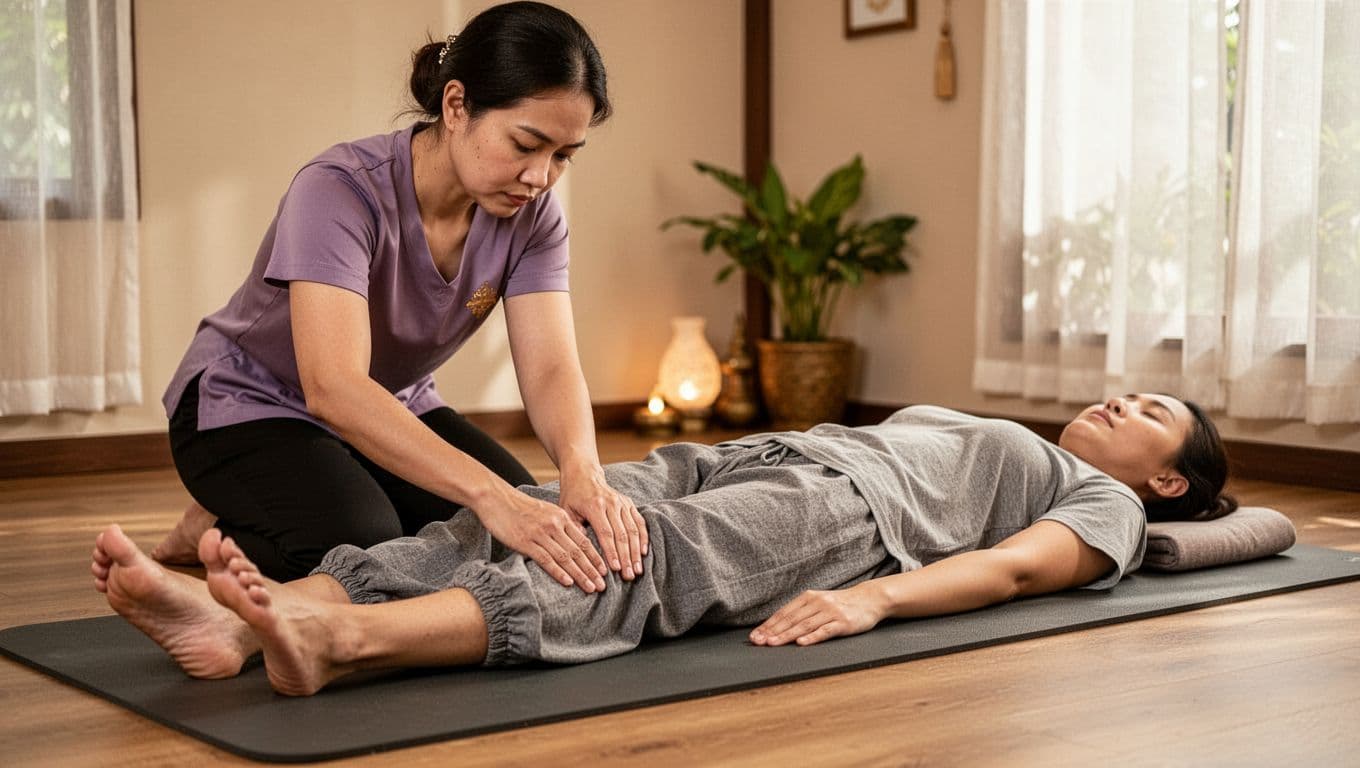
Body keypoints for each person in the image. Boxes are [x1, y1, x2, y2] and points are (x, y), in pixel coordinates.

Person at [93, 394, 1236, 696]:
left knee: (629, 569)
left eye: (1147, 413)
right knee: (524, 506)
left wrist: (876, 603)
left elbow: (1020, 568)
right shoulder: (1007, 432)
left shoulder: (1107, 505)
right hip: (752, 457)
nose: (1114, 404)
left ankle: (343, 638)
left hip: (842, 519)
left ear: (1168, 476)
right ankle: (250, 618)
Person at [152, 1, 644, 592]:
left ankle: (318, 487)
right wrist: (488, 494)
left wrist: (582, 469)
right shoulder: (338, 192)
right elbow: (333, 386)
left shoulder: (534, 218)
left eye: (562, 156)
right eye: (525, 144)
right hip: (248, 405)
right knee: (364, 543)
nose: (540, 177)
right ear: (457, 105)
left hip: (391, 403)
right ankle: (220, 525)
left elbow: (550, 366)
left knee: (509, 539)